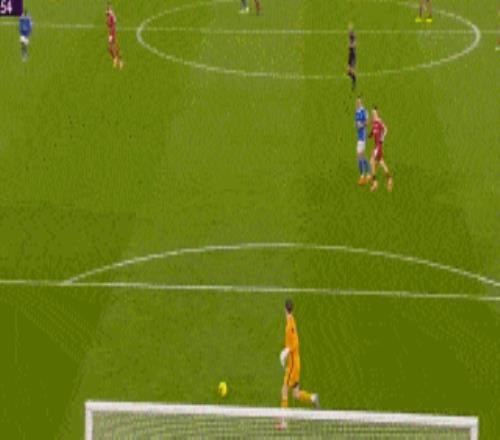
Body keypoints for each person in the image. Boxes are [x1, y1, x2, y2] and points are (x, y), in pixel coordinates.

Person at [277, 299, 319, 430]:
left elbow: (295, 343)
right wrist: (287, 351)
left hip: (293, 365)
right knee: (295, 394)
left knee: (284, 390)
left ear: (284, 309)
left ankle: (283, 422)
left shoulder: (289, 325)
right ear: (292, 310)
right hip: (295, 362)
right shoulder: (292, 321)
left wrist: (286, 351)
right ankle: (312, 398)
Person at [368, 107, 393, 192]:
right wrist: (370, 135)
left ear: (377, 113)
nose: (373, 114)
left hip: (378, 146)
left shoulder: (379, 121)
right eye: (372, 113)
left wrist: (382, 138)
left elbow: (386, 130)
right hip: (376, 146)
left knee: (372, 162)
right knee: (381, 163)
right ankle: (389, 179)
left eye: (374, 113)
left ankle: (375, 183)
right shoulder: (374, 122)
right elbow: (373, 130)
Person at [355, 97, 370, 185]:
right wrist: (357, 125)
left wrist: (360, 125)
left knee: (360, 156)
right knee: (360, 157)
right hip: (359, 137)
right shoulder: (357, 112)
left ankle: (364, 176)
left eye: (359, 102)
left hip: (362, 137)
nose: (357, 103)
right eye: (356, 102)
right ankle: (365, 175)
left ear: (361, 102)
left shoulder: (364, 111)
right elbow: (357, 123)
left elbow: (367, 122)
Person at [106, 4, 123, 69]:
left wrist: (111, 35)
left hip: (112, 34)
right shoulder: (111, 16)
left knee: (113, 48)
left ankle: (119, 61)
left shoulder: (111, 17)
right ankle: (116, 59)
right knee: (111, 48)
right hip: (111, 34)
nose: (106, 11)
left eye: (108, 10)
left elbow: (110, 24)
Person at [347, 23, 357, 90]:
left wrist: (351, 45)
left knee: (351, 71)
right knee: (348, 72)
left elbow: (355, 43)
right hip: (350, 55)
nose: (348, 30)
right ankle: (353, 80)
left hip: (353, 55)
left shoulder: (353, 35)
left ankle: (354, 82)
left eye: (349, 29)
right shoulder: (350, 36)